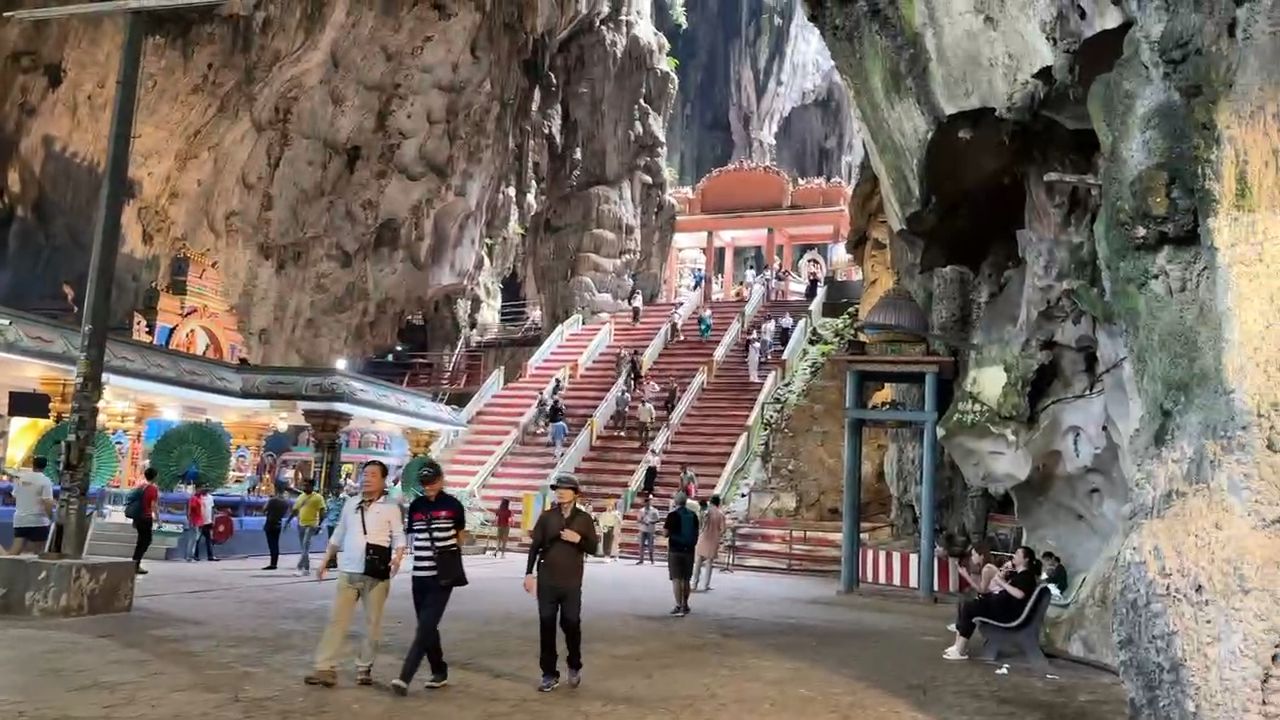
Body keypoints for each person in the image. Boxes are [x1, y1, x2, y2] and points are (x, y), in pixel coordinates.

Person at [305, 461, 407, 687]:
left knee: (372, 623)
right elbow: (339, 533)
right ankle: (324, 667)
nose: (366, 478)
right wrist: (324, 561)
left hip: (376, 573)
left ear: (383, 480)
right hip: (348, 571)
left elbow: (399, 535)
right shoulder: (351, 503)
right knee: (336, 621)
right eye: (364, 474)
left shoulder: (390, 506)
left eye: (372, 475)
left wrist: (398, 557)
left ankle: (364, 667)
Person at [393, 459, 467, 694]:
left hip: (441, 576)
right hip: (419, 575)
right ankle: (439, 670)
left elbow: (460, 535)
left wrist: (449, 557)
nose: (428, 487)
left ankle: (405, 677)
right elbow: (411, 536)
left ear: (441, 480)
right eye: (425, 483)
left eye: (432, 482)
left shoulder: (453, 505)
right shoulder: (416, 506)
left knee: (425, 627)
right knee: (428, 627)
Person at [524, 474, 599, 692]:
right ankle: (549, 673)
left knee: (571, 623)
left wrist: (579, 540)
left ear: (576, 494)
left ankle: (574, 663)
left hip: (571, 582)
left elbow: (594, 548)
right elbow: (535, 546)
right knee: (546, 626)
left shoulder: (584, 519)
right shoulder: (547, 517)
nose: (560, 492)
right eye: (558, 488)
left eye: (566, 489)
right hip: (547, 580)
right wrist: (529, 574)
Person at [943, 546, 1041, 660]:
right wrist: (1004, 572)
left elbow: (1020, 594)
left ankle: (960, 650)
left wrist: (1002, 583)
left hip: (1007, 613)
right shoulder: (1018, 575)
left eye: (1018, 555)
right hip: (1002, 608)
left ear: (1026, 559)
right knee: (968, 604)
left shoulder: (1026, 577)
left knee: (970, 607)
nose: (1014, 556)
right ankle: (959, 646)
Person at [5, 456, 54, 556]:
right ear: (45, 466)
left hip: (20, 520)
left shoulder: (21, 479)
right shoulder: (45, 481)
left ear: (33, 465)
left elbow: (14, 496)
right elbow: (47, 502)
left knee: (14, 553)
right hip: (38, 521)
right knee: (39, 553)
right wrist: (51, 517)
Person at [664, 492, 699, 616]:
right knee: (686, 579)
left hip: (675, 550)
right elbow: (696, 533)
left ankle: (678, 605)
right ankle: (686, 604)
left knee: (676, 579)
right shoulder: (693, 515)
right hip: (689, 550)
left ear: (675, 502)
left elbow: (665, 533)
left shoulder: (672, 515)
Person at [288, 480, 327, 575]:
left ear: (312, 487)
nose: (304, 487)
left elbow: (322, 512)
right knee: (304, 548)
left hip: (312, 525)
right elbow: (295, 510)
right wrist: (288, 521)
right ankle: (307, 568)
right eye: (304, 485)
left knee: (305, 546)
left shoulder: (318, 498)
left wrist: (319, 525)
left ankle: (299, 568)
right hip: (301, 524)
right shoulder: (301, 497)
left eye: (307, 486)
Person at [129, 467, 161, 574]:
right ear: (155, 476)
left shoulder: (141, 487)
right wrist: (158, 519)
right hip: (146, 518)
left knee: (141, 541)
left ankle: (135, 563)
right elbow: (153, 505)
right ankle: (136, 563)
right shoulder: (153, 489)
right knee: (146, 541)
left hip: (138, 517)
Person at [692, 494, 726, 591]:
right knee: (709, 563)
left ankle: (694, 583)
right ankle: (705, 585)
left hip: (703, 538)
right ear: (718, 503)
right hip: (713, 540)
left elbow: (699, 523)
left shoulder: (705, 511)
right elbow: (723, 529)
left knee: (698, 561)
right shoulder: (721, 514)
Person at [262, 483, 291, 570]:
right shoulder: (285, 502)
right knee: (276, 544)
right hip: (278, 523)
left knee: (272, 544)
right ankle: (274, 562)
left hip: (270, 523)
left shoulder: (273, 500)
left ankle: (272, 564)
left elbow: (264, 509)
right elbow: (286, 513)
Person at [635, 495, 660, 565]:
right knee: (641, 545)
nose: (648, 503)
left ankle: (652, 559)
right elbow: (638, 520)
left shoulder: (654, 510)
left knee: (650, 545)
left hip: (651, 529)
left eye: (649, 502)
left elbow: (657, 519)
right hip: (643, 529)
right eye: (646, 502)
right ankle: (641, 559)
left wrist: (651, 521)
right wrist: (643, 521)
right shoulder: (641, 511)